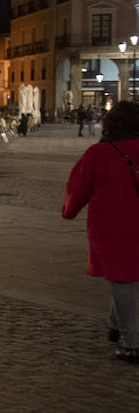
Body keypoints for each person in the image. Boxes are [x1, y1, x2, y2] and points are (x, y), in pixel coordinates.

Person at [63, 100, 139, 363]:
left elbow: (78, 187)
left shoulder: (98, 154)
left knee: (122, 278)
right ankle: (115, 326)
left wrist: (69, 210)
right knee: (128, 277)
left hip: (112, 226)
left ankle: (130, 343)